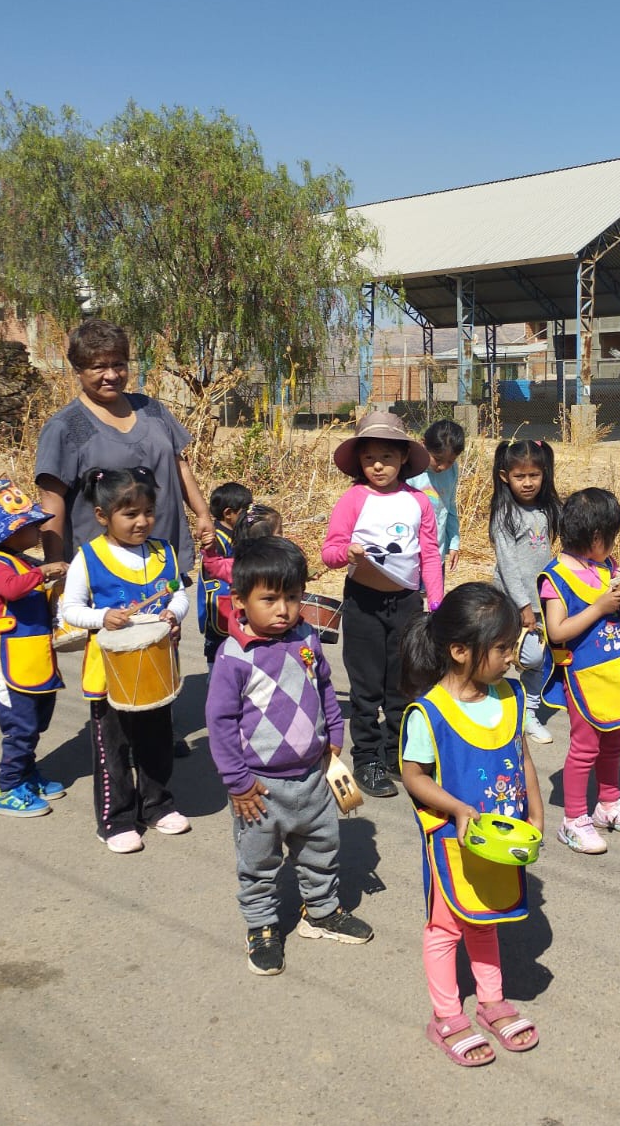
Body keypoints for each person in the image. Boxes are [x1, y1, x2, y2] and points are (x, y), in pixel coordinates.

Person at [206, 536, 373, 975]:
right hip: (259, 788)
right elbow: (220, 726)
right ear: (239, 600)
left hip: (313, 775)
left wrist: (335, 732)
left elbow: (323, 687)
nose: (283, 609)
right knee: (259, 862)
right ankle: (262, 926)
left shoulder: (306, 638)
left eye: (293, 597)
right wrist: (237, 783)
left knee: (321, 847)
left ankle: (321, 910)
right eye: (270, 599)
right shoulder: (234, 657)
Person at [399, 583, 543, 1067]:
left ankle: (491, 1001)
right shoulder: (430, 713)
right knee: (445, 927)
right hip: (452, 842)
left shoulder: (510, 698)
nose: (511, 657)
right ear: (460, 651)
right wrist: (458, 808)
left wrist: (538, 814)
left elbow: (522, 758)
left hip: (498, 843)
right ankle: (445, 1015)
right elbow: (413, 775)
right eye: (502, 648)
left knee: (485, 917)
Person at [59, 466, 192, 853]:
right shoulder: (88, 557)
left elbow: (178, 594)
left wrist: (174, 612)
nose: (142, 521)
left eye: (148, 512)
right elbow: (71, 609)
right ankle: (115, 819)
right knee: (113, 750)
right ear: (103, 516)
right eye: (130, 514)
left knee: (156, 742)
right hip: (109, 674)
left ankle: (157, 804)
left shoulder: (162, 551)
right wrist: (102, 617)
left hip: (154, 669)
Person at [321, 412, 444, 799]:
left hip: (408, 602)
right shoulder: (353, 499)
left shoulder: (419, 501)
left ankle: (397, 753)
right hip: (363, 602)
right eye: (370, 458)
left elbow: (429, 554)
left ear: (404, 459)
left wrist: (435, 604)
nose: (378, 465)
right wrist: (348, 553)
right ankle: (368, 758)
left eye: (387, 458)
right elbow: (329, 551)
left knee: (403, 685)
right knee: (365, 686)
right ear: (359, 461)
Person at [34, 318, 212, 571]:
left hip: (162, 555)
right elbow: (52, 499)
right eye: (99, 367)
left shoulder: (152, 410)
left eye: (119, 364)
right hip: (102, 568)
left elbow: (178, 465)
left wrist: (202, 514)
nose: (111, 375)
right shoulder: (67, 426)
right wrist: (54, 562)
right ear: (78, 369)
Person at [539, 487, 620, 854]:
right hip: (582, 677)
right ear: (595, 536)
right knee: (585, 748)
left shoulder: (610, 566)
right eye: (611, 536)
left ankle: (609, 804)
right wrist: (600, 607)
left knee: (613, 743)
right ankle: (573, 820)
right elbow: (557, 632)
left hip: (615, 671)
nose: (614, 544)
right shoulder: (555, 577)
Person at [0, 477, 72, 817]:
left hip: (37, 656)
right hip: (11, 661)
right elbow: (13, 590)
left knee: (39, 719)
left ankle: (28, 774)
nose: (38, 531)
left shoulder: (26, 563)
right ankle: (9, 786)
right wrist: (44, 571)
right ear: (10, 532)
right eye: (31, 526)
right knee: (20, 726)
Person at [489, 438, 561, 745]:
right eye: (520, 477)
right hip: (512, 602)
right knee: (510, 657)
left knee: (540, 659)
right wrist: (522, 605)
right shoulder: (504, 515)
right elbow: (507, 565)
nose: (528, 483)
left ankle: (528, 713)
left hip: (541, 599)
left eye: (534, 475)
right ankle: (495, 701)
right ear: (506, 477)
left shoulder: (547, 510)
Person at [201, 500, 281, 663]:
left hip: (276, 626)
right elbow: (215, 567)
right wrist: (210, 550)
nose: (284, 538)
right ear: (266, 540)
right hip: (246, 628)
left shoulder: (282, 564)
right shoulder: (237, 566)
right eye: (280, 533)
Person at [198, 481, 253, 668]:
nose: (249, 514)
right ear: (228, 513)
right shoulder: (215, 540)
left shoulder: (239, 534)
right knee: (217, 644)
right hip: (219, 603)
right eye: (245, 509)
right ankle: (214, 677)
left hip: (234, 602)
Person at [407, 418, 466, 573]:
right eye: (438, 459)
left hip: (435, 555)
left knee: (433, 596)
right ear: (423, 444)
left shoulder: (451, 472)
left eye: (451, 461)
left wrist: (453, 543)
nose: (443, 467)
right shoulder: (409, 470)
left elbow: (450, 508)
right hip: (409, 555)